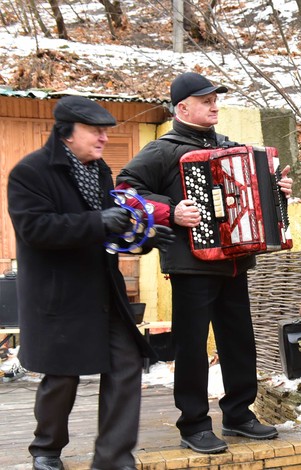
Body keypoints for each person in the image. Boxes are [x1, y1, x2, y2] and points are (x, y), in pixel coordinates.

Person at [117, 72, 294, 453]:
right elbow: (124, 192)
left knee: (239, 340)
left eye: (216, 99)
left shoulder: (231, 147)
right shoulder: (162, 150)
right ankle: (193, 423)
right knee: (192, 345)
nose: (215, 105)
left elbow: (256, 193)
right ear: (183, 108)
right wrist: (170, 211)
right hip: (190, 264)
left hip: (233, 261)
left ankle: (239, 414)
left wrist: (279, 191)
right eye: (205, 100)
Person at [7, 96, 173, 470]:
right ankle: (46, 450)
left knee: (126, 362)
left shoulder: (99, 170)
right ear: (67, 133)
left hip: (102, 289)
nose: (103, 138)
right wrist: (100, 223)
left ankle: (113, 458)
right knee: (62, 375)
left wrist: (144, 238)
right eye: (95, 131)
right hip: (58, 292)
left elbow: (112, 229)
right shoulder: (30, 173)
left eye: (105, 132)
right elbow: (36, 229)